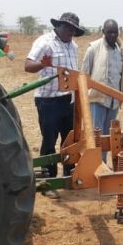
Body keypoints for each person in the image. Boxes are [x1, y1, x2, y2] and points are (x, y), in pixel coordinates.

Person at [25, 12, 85, 180]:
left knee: (69, 139)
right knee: (49, 140)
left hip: (68, 100)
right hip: (48, 101)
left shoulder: (74, 46)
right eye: (67, 27)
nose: (70, 32)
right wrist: (41, 64)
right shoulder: (45, 42)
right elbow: (27, 65)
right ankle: (48, 177)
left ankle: (69, 174)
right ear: (58, 26)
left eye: (73, 30)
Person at [81, 19, 123, 163]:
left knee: (109, 135)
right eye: (109, 32)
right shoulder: (94, 48)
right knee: (96, 134)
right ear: (103, 32)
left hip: (114, 101)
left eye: (115, 32)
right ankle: (95, 164)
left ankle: (103, 162)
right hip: (98, 98)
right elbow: (84, 74)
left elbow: (122, 73)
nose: (113, 35)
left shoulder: (119, 50)